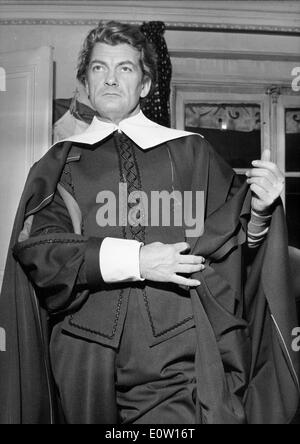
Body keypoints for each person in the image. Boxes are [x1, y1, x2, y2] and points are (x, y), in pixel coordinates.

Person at [0, 21, 299, 425]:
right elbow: (42, 250)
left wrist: (261, 211)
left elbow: (231, 239)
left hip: (176, 358)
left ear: (144, 85)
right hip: (82, 357)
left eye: (124, 68)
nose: (109, 78)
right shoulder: (57, 163)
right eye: (98, 68)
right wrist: (138, 260)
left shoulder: (192, 152)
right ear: (85, 83)